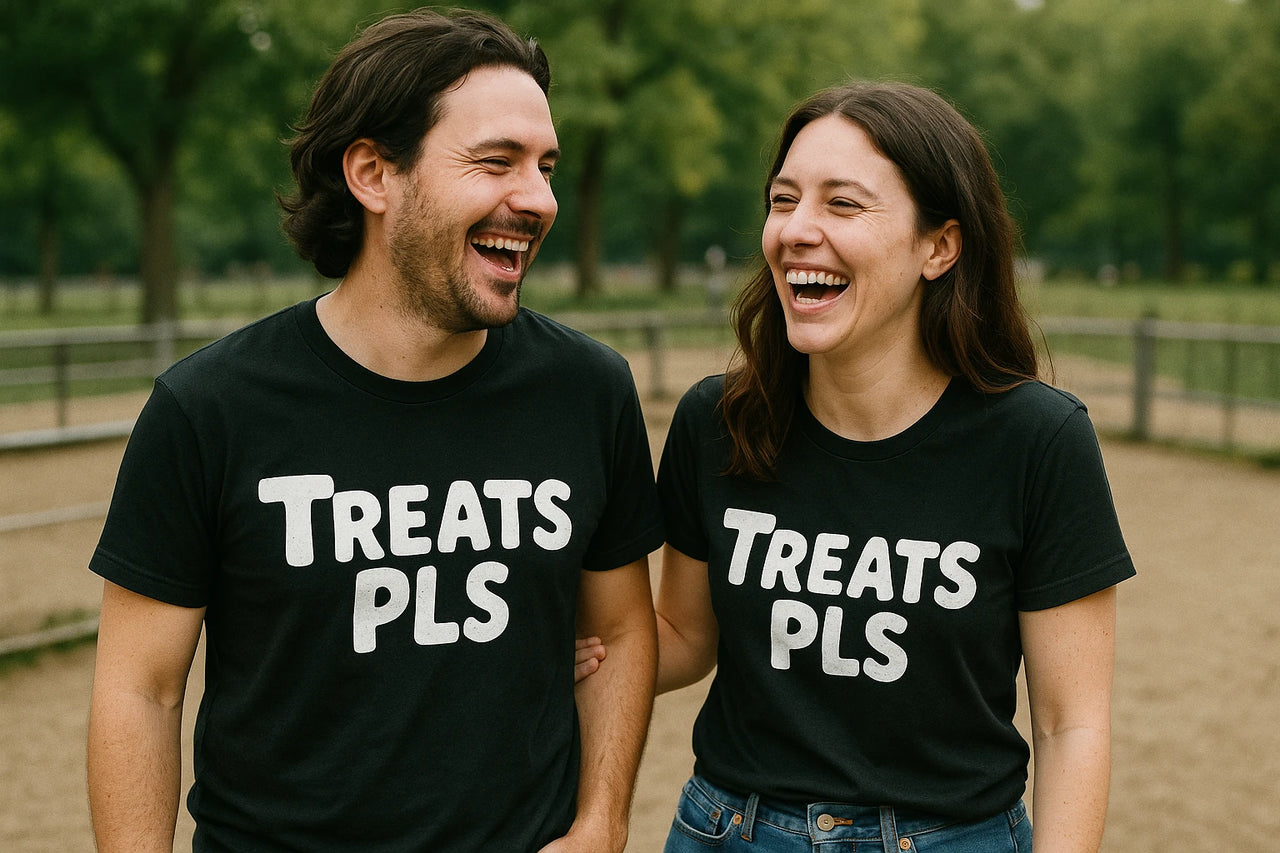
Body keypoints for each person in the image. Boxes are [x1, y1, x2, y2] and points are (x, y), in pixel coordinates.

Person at [86, 9, 661, 852]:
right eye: (496, 162)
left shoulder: (587, 390)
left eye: (546, 166)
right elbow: (141, 686)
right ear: (373, 173)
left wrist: (601, 822)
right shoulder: (209, 408)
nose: (538, 199)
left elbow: (618, 628)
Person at [651, 81, 1136, 852]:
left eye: (843, 205)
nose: (797, 230)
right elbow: (679, 633)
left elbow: (1070, 722)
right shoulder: (718, 422)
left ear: (938, 247)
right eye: (784, 200)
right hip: (726, 831)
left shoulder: (1038, 442)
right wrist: (529, 631)